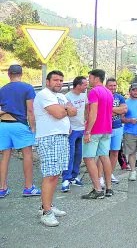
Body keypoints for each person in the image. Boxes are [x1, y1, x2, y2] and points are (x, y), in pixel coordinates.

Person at [34, 70, 76, 227]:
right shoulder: (44, 94)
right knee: (50, 175)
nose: (59, 82)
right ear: (47, 81)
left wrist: (65, 110)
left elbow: (73, 111)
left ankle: (47, 205)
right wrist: (66, 110)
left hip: (61, 137)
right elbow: (60, 113)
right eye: (56, 80)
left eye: (61, 80)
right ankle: (46, 213)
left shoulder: (62, 96)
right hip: (49, 138)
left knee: (56, 174)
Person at [0, 64, 40, 198]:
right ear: (21, 74)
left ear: (9, 74)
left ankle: (2, 188)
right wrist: (33, 127)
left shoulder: (3, 89)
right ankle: (28, 187)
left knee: (5, 156)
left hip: (4, 125)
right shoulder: (27, 88)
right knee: (27, 155)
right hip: (19, 124)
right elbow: (30, 110)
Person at [82, 69, 114, 199]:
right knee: (104, 156)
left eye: (90, 78)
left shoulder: (94, 92)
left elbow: (93, 113)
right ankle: (109, 188)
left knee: (89, 158)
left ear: (96, 78)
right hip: (107, 128)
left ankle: (97, 189)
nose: (89, 80)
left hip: (95, 129)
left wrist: (88, 131)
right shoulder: (109, 92)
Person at [61, 76, 88, 192]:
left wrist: (86, 121)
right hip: (71, 130)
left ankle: (74, 176)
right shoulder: (67, 97)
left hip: (82, 128)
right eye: (85, 85)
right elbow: (64, 113)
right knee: (69, 155)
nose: (86, 86)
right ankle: (65, 179)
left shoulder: (84, 94)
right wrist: (68, 126)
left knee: (78, 154)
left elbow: (86, 108)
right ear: (78, 85)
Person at [101, 78, 127, 185]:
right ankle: (100, 177)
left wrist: (109, 109)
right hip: (105, 128)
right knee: (102, 154)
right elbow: (102, 112)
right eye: (110, 85)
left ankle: (109, 174)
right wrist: (117, 110)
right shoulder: (102, 96)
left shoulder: (119, 97)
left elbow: (124, 111)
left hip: (117, 127)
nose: (113, 87)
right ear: (106, 85)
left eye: (114, 85)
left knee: (115, 152)